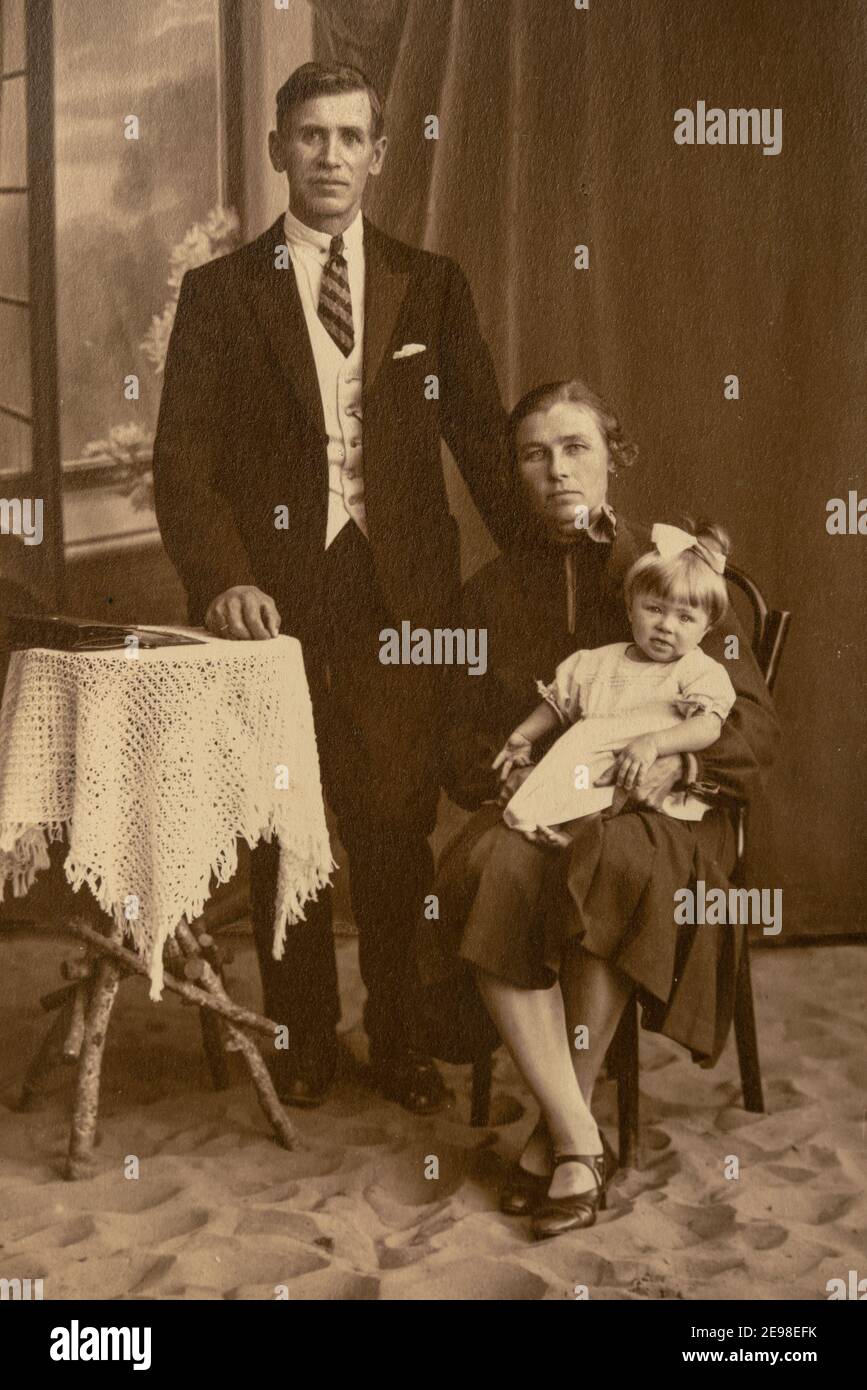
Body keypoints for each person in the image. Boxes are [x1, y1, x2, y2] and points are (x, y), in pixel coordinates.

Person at [152, 62, 515, 1113]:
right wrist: (222, 580)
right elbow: (183, 464)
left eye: (351, 137)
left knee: (394, 826)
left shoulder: (431, 283)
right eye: (310, 137)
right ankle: (305, 1032)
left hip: (402, 599)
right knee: (282, 824)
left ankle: (394, 1036)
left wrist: (559, 553)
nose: (330, 157)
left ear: (378, 154)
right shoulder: (220, 295)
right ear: (279, 150)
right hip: (274, 600)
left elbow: (484, 443)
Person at [425, 378, 779, 1239]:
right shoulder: (491, 593)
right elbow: (460, 737)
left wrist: (667, 758)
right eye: (533, 454)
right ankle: (579, 1137)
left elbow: (752, 729)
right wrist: (496, 771)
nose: (556, 470)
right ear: (513, 472)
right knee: (484, 863)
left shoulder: (672, 571)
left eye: (575, 447)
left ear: (610, 456)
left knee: (612, 860)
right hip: (544, 808)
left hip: (657, 814)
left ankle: (558, 1131)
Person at [498, 521, 738, 840]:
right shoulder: (598, 661)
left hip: (640, 774)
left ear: (706, 629)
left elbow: (709, 724)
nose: (666, 625)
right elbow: (558, 703)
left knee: (611, 796)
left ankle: (578, 835)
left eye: (685, 617)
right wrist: (523, 736)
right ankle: (558, 829)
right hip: (587, 761)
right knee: (557, 784)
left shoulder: (696, 670)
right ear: (630, 608)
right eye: (654, 609)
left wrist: (655, 743)